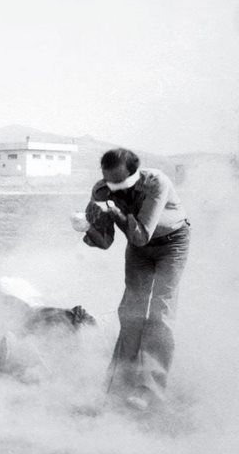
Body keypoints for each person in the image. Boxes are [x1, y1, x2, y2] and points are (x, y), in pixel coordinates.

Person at [72, 148, 190, 411]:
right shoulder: (101, 190)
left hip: (172, 244)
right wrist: (89, 226)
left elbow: (141, 234)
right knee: (131, 312)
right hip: (139, 248)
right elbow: (105, 241)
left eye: (121, 185)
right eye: (110, 184)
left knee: (160, 312)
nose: (115, 191)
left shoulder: (156, 182)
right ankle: (118, 386)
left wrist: (113, 213)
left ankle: (150, 391)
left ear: (135, 175)